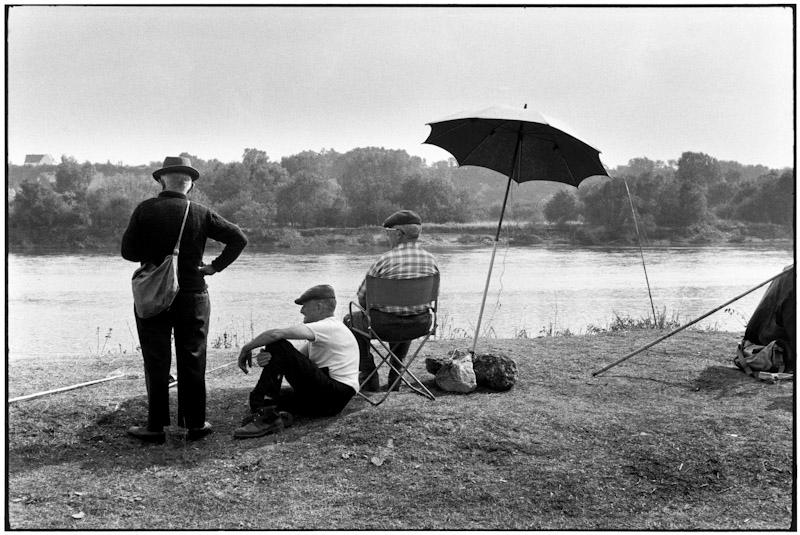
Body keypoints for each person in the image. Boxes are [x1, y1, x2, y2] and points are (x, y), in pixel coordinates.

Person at [121, 156, 247, 444]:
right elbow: (239, 238)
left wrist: (153, 254)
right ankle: (195, 425)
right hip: (193, 294)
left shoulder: (146, 210)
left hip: (154, 293)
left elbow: (128, 252)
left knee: (156, 358)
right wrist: (215, 266)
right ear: (189, 185)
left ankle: (155, 427)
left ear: (163, 180)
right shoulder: (200, 212)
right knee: (193, 356)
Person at [234, 284, 359, 439]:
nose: (301, 311)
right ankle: (278, 416)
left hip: (334, 394)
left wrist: (247, 348)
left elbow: (276, 335)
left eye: (304, 306)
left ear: (319, 306)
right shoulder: (327, 332)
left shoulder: (328, 326)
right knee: (258, 398)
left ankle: (267, 418)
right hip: (332, 399)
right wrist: (271, 359)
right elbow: (291, 362)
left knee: (277, 343)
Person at [346, 209, 439, 392]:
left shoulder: (384, 261)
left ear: (398, 233)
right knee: (407, 315)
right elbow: (430, 298)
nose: (387, 238)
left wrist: (371, 311)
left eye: (388, 233)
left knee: (351, 320)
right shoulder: (431, 260)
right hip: (420, 325)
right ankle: (397, 370)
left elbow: (362, 297)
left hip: (383, 327)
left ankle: (368, 372)